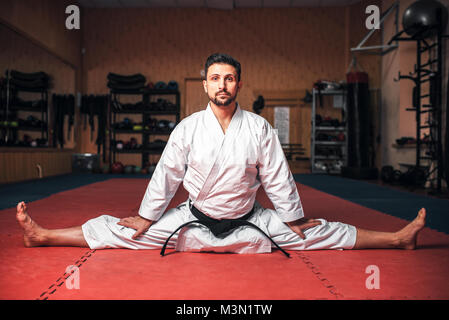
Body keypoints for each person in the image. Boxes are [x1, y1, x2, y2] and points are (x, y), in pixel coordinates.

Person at [16, 53, 426, 255]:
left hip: (249, 220)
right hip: (192, 221)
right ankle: (45, 235)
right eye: (215, 78)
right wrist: (145, 215)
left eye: (229, 78)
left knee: (318, 232)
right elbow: (167, 176)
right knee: (123, 231)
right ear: (205, 85)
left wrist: (295, 218)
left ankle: (396, 237)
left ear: (239, 84)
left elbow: (278, 178)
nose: (222, 85)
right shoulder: (188, 128)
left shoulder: (259, 128)